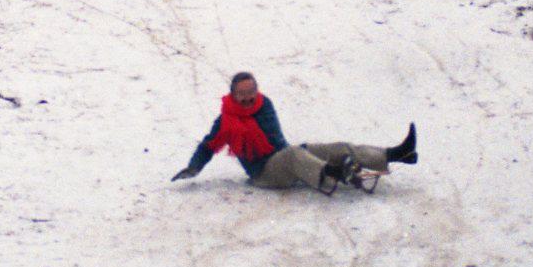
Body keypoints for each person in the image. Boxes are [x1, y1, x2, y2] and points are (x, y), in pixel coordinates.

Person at [171, 72, 417, 193]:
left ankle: (395, 154)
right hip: (264, 174)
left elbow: (274, 142)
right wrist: (193, 167)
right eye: (242, 94)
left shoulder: (263, 105)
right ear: (233, 94)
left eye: (251, 92)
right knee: (294, 156)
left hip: (283, 157)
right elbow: (207, 146)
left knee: (334, 149)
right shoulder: (226, 121)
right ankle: (333, 172)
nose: (247, 98)